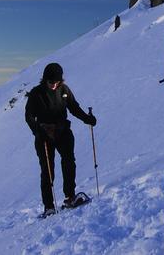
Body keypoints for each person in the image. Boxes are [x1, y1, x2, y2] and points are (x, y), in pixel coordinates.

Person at [25, 63, 97, 217]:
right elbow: (29, 115)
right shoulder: (36, 93)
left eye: (57, 82)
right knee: (48, 170)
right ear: (45, 80)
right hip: (43, 135)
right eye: (51, 82)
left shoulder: (64, 90)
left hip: (62, 131)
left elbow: (73, 107)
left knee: (69, 162)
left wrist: (87, 119)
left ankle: (70, 197)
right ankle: (49, 207)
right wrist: (36, 130)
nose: (54, 85)